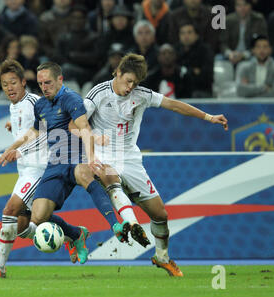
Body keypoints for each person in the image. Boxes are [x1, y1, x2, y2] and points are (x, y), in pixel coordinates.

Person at [82, 53, 228, 276]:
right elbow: (79, 121)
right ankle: (131, 223)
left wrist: (208, 117)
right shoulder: (98, 93)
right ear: (117, 73)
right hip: (103, 155)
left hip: (131, 160)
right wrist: (91, 148)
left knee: (160, 214)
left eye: (135, 83)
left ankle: (162, 257)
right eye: (128, 80)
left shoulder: (142, 95)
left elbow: (174, 105)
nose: (131, 87)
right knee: (110, 176)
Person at [0, 62, 149, 264]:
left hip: (76, 158)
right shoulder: (41, 105)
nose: (44, 87)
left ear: (60, 79)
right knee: (38, 217)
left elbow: (84, 127)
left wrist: (92, 155)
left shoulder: (71, 98)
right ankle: (77, 235)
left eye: (48, 82)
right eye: (41, 83)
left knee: (85, 175)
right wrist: (13, 148)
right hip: (55, 162)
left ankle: (116, 226)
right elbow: (35, 131)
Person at [0, 60, 91, 278]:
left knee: (10, 212)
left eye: (13, 82)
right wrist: (15, 128)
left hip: (39, 168)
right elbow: (31, 129)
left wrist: (19, 151)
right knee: (23, 226)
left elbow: (47, 131)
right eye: (4, 84)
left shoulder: (36, 101)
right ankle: (74, 234)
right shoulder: (14, 106)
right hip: (25, 169)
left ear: (24, 82)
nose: (9, 88)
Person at [219, 0, 268, 68]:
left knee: (258, 61)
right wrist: (229, 54)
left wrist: (244, 55)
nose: (242, 8)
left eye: (245, 5)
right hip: (231, 55)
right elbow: (223, 43)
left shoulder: (258, 20)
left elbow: (262, 42)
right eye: (239, 5)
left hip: (251, 55)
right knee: (217, 61)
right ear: (235, 7)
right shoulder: (228, 20)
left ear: (250, 6)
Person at [175, 22, 214, 97]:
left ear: (196, 35)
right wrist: (193, 71)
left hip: (200, 90)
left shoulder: (205, 50)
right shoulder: (175, 50)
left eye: (189, 32)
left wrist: (185, 72)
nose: (186, 36)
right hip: (180, 90)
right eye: (182, 33)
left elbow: (206, 76)